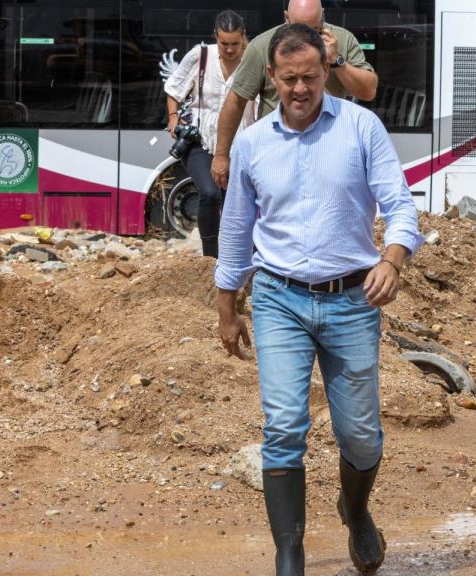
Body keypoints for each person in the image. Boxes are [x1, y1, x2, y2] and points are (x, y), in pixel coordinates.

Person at [214, 24, 422, 576]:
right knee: (283, 426)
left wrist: (391, 260)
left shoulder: (361, 128)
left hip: (352, 300)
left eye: (309, 77)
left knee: (360, 433)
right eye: (288, 80)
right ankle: (290, 551)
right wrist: (226, 307)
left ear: (326, 73)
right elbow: (236, 231)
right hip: (279, 299)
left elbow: (401, 208)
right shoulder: (253, 143)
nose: (299, 89)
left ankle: (355, 510)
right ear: (272, 80)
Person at [210, 0, 379, 190]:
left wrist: (337, 61)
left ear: (322, 16)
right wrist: (221, 155)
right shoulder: (262, 46)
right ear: (286, 18)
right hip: (277, 150)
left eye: (315, 30)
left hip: (329, 149)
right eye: (300, 29)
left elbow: (368, 91)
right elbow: (236, 101)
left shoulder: (341, 39)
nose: (307, 39)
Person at [164, 10, 254, 258]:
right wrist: (173, 118)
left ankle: (242, 258)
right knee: (211, 192)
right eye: (224, 43)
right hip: (200, 141)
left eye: (235, 43)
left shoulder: (252, 60)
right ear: (216, 37)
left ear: (242, 38)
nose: (229, 49)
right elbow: (173, 88)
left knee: (238, 204)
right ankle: (210, 258)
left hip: (239, 144)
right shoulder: (201, 56)